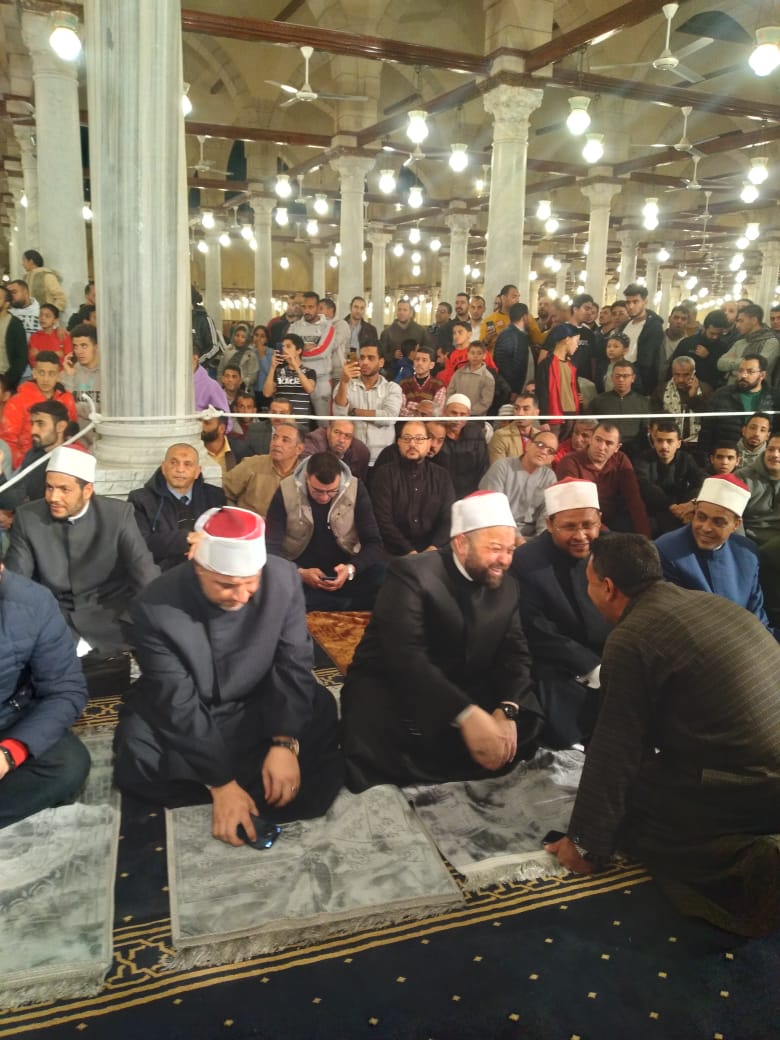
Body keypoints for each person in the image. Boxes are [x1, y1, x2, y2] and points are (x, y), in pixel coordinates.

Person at [545, 533, 780, 938]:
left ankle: (750, 857)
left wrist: (584, 844)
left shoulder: (632, 637)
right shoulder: (710, 603)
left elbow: (616, 751)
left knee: (637, 813)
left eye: (589, 583)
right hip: (760, 760)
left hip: (755, 786)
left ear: (607, 587)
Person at [113, 507, 344, 843]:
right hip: (195, 706)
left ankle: (230, 781)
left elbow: (293, 662)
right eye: (226, 585)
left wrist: (284, 743)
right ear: (199, 568)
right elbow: (176, 699)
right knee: (139, 753)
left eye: (251, 583)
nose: (241, 596)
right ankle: (223, 786)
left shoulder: (282, 579)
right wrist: (220, 782)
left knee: (318, 708)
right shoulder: (155, 606)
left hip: (261, 699)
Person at [340, 491, 544, 791]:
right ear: (461, 543)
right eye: (495, 548)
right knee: (373, 730)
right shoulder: (411, 573)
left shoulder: (507, 585)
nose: (504, 560)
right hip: (399, 684)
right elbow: (406, 657)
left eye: (510, 550)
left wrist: (508, 708)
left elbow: (515, 653)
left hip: (465, 681)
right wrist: (466, 714)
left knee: (530, 720)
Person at [4, 446, 159, 654]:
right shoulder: (28, 517)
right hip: (53, 620)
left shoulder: (117, 515)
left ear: (87, 491)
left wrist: (143, 620)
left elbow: (145, 574)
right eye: (49, 487)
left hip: (110, 620)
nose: (53, 497)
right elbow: (16, 582)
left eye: (64, 489)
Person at [511, 478, 611, 748]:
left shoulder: (615, 548)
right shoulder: (526, 560)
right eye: (569, 527)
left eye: (588, 525)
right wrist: (589, 665)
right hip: (560, 657)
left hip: (614, 649)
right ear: (550, 523)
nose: (580, 536)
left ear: (599, 521)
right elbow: (534, 627)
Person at [0, 564, 90, 829]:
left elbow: (65, 689)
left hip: (9, 717)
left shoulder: (32, 603)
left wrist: (9, 753)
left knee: (68, 764)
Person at [265, 451, 385, 611]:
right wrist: (299, 573)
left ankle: (331, 603)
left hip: (344, 567)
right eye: (317, 491)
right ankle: (346, 604)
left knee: (383, 574)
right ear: (306, 477)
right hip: (301, 568)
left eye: (332, 491)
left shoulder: (355, 488)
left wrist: (351, 569)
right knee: (272, 582)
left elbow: (374, 543)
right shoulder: (286, 490)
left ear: (340, 480)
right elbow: (271, 547)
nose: (324, 498)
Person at [655, 474, 774, 634]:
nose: (706, 528)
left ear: (736, 524)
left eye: (718, 522)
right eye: (701, 517)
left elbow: (757, 618)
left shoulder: (747, 553)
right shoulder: (666, 550)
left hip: (747, 639)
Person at [128, 443, 226, 571]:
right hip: (162, 572)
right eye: (174, 463)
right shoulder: (141, 500)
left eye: (187, 464)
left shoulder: (215, 496)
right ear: (163, 468)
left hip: (206, 569)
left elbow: (223, 538)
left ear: (197, 472)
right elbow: (139, 543)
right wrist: (186, 538)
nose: (180, 469)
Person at [369, 420, 456, 556]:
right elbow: (382, 520)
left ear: (428, 443)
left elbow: (449, 518)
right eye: (407, 438)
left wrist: (432, 549)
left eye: (419, 439)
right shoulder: (384, 474)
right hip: (393, 552)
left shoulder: (442, 476)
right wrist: (409, 551)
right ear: (399, 442)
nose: (412, 444)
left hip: (433, 552)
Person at [556, 421, 651, 536]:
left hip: (613, 519)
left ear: (617, 447)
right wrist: (608, 535)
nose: (601, 447)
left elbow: (634, 499)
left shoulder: (620, 460)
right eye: (598, 440)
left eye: (609, 443)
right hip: (581, 521)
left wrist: (646, 538)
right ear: (591, 439)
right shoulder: (570, 462)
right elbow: (578, 506)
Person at [1, 351, 78, 467]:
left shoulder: (67, 399)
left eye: (51, 374)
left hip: (61, 462)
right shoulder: (17, 401)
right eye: (41, 373)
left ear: (59, 376)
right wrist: (27, 464)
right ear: (34, 373)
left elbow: (72, 435)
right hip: (27, 463)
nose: (46, 379)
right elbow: (8, 442)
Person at [479, 430, 558, 542]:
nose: (544, 452)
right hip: (498, 531)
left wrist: (543, 541)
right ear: (528, 445)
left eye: (550, 451)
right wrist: (517, 538)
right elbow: (493, 508)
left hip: (532, 538)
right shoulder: (502, 467)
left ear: (552, 458)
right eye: (540, 445)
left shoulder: (549, 477)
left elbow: (546, 515)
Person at [332, 344, 403, 465]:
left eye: (371, 358)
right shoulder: (345, 384)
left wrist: (354, 411)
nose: (364, 362)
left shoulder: (392, 388)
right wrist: (344, 381)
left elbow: (389, 417)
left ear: (381, 362)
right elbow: (339, 414)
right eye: (362, 358)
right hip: (351, 455)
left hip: (382, 457)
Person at [634, 420, 704, 535]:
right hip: (654, 509)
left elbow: (700, 480)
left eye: (669, 441)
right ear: (654, 442)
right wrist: (672, 507)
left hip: (682, 509)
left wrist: (690, 504)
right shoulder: (643, 458)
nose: (664, 446)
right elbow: (643, 484)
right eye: (659, 441)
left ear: (678, 444)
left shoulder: (685, 458)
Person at [222, 421, 304, 517]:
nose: (276, 443)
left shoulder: (305, 474)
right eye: (274, 437)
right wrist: (234, 515)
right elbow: (222, 491)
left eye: (285, 440)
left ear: (299, 449)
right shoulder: (252, 464)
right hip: (249, 523)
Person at [535, 323, 581, 427]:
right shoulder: (546, 365)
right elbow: (542, 394)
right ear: (567, 339)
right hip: (554, 417)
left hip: (572, 415)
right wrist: (544, 421)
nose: (577, 346)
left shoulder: (571, 365)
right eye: (576, 341)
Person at [262, 332, 317, 418]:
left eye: (288, 346)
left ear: (299, 350)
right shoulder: (278, 371)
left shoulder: (309, 372)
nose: (284, 350)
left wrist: (295, 366)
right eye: (283, 346)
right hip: (281, 420)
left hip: (300, 421)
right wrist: (272, 367)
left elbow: (309, 389)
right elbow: (267, 393)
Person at [740, 432, 780, 545]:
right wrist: (742, 547)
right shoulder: (742, 477)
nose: (775, 455)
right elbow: (732, 518)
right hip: (747, 542)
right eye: (771, 449)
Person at [301, 417, 370, 481]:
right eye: (337, 432)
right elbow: (306, 471)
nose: (341, 440)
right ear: (328, 431)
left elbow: (359, 484)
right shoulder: (315, 441)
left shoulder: (361, 451)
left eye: (347, 436)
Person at [488, 392, 542, 464]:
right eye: (516, 408)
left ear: (536, 413)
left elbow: (546, 467)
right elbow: (498, 468)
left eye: (526, 409)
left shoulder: (541, 437)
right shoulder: (501, 436)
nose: (520, 413)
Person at [447, 340, 496, 416]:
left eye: (479, 353)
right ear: (467, 354)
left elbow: (485, 402)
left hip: (475, 417)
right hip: (456, 414)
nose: (475, 356)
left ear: (484, 356)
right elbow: (450, 392)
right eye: (472, 353)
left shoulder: (488, 378)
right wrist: (453, 409)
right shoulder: (459, 373)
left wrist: (467, 413)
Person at [399, 345, 446, 417]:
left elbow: (436, 414)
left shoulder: (439, 386)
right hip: (406, 423)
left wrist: (411, 406)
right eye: (417, 359)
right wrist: (424, 410)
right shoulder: (403, 384)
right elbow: (400, 410)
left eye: (424, 360)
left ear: (432, 365)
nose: (419, 363)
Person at [0, 283, 28, 391]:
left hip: (5, 381)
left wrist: (6, 383)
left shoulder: (15, 324)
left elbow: (21, 359)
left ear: (7, 304)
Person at [28, 303, 71, 368]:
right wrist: (55, 354)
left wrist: (40, 354)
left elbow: (68, 358)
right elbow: (33, 359)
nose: (43, 318)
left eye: (47, 316)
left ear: (55, 320)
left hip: (61, 373)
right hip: (40, 372)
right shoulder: (34, 337)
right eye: (40, 315)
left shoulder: (63, 335)